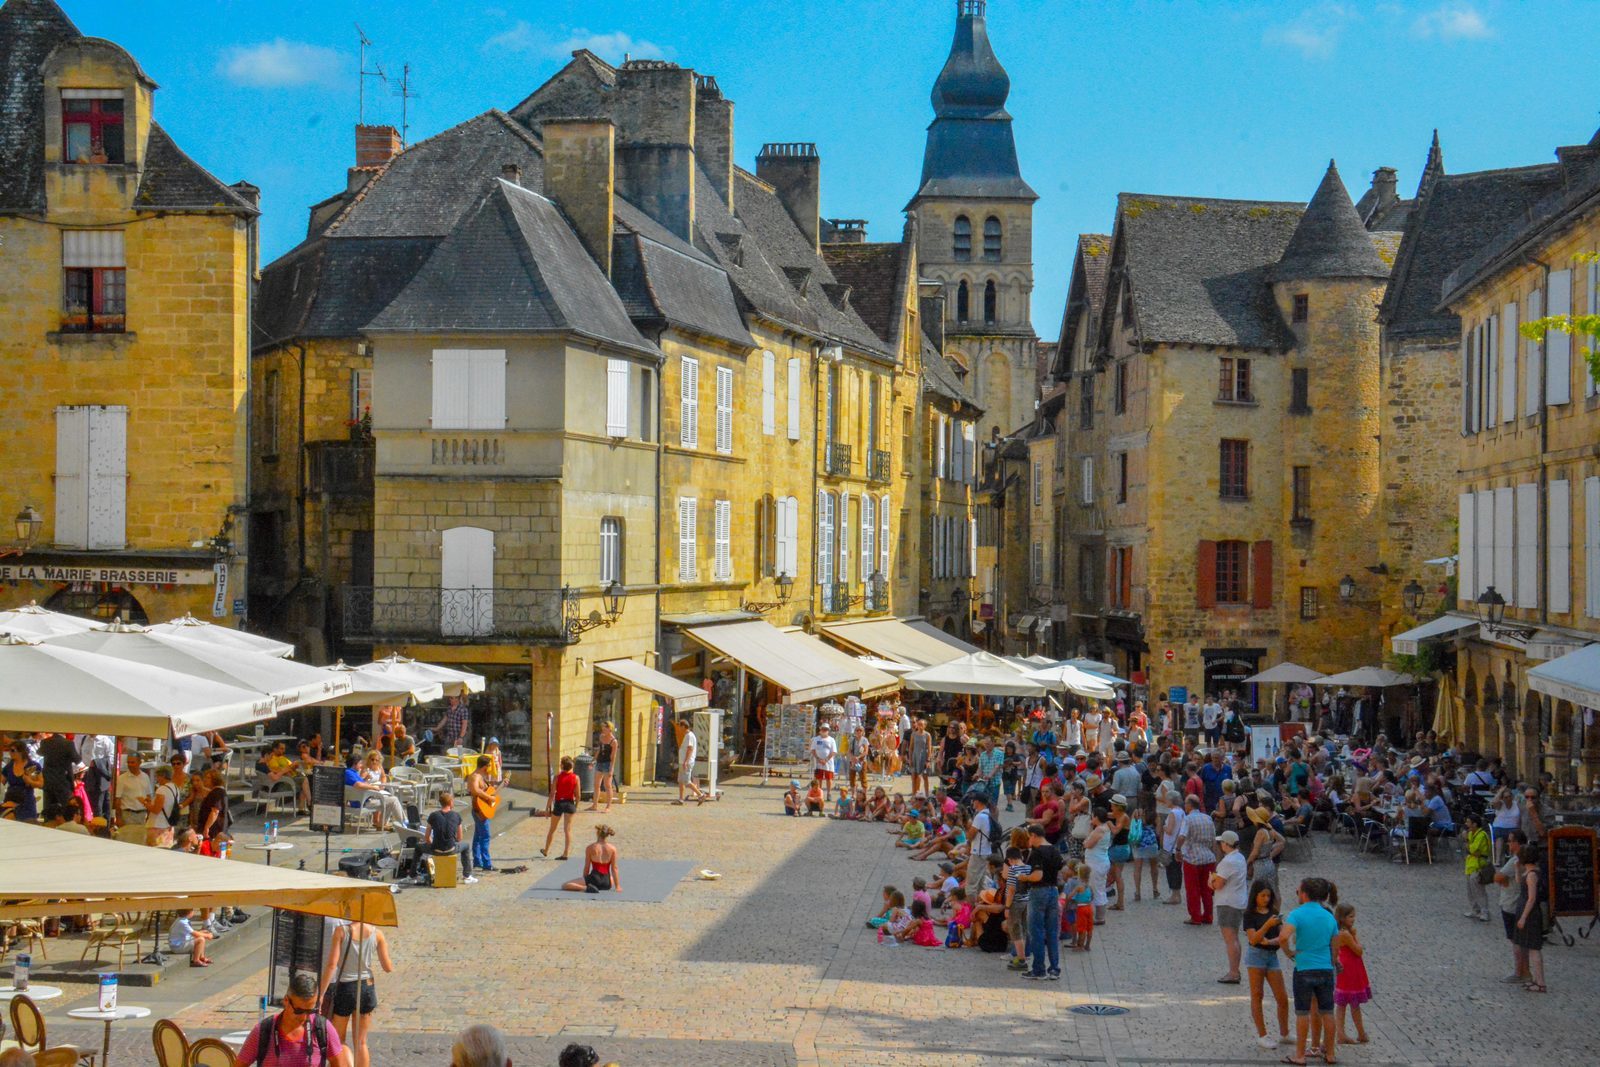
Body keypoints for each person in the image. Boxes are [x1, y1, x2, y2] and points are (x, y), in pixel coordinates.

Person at [1280, 877, 1340, 1067]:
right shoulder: (1329, 916)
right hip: (1325, 969)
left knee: (1302, 1013)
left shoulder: (1297, 914)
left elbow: (1283, 937)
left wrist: (1289, 952)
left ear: (1304, 894)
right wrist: (1331, 961)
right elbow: (1335, 944)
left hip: (1304, 967)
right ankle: (1330, 1053)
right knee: (1328, 1012)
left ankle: (1300, 1055)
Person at [237, 970, 351, 1066]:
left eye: (310, 1011)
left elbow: (339, 1063)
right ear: (286, 1000)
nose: (304, 1017)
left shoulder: (323, 1028)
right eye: (299, 1011)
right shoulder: (263, 1031)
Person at [320, 919, 394, 1067]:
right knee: (361, 1042)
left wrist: (321, 993)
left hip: (346, 988)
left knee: (338, 1040)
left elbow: (331, 965)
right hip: (367, 987)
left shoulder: (341, 932)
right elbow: (388, 967)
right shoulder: (377, 934)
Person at [1244, 879, 1290, 1050]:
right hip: (1255, 956)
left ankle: (1284, 1032)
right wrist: (1267, 925)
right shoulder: (1249, 915)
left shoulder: (1274, 912)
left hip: (1272, 956)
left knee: (1282, 997)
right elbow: (1253, 938)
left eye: (1268, 896)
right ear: (1255, 896)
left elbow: (1282, 935)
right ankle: (1262, 1034)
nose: (1266, 899)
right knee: (1257, 994)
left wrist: (1270, 942)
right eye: (1262, 895)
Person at [1017, 823, 1062, 980]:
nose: (1029, 840)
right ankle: (1054, 968)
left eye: (1030, 837)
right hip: (1053, 891)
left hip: (1038, 892)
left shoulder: (1038, 852)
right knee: (1052, 932)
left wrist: (1024, 877)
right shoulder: (1055, 850)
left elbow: (1037, 876)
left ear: (1034, 836)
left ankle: (1038, 969)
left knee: (1036, 932)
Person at [1209, 829, 1247, 983]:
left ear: (1226, 844)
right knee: (1235, 938)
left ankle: (1233, 972)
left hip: (1227, 902)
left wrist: (1211, 880)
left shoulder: (1227, 862)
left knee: (1230, 939)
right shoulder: (1240, 857)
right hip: (1237, 900)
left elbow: (1218, 884)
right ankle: (1235, 970)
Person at [1331, 903, 1371, 1044]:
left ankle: (1341, 1033)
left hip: (1345, 968)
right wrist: (1355, 936)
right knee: (1354, 1004)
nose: (1353, 919)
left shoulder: (1338, 931)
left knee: (1342, 1004)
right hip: (1351, 970)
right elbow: (1358, 950)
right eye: (1351, 916)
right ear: (1343, 918)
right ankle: (1361, 1033)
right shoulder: (1347, 934)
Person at [1175, 794, 1218, 925]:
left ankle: (1196, 916)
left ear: (1189, 805)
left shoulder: (1188, 819)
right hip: (1208, 858)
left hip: (1192, 858)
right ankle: (1208, 916)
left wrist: (1178, 850)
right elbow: (1213, 839)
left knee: (1193, 889)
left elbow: (1182, 836)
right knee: (1207, 889)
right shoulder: (1208, 818)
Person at [1512, 848, 1547, 992]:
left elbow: (1531, 898)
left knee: (1534, 949)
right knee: (1530, 948)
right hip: (1525, 911)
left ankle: (1540, 982)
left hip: (1530, 915)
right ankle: (1536, 980)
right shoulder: (1528, 872)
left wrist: (1523, 917)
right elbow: (1519, 881)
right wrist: (1516, 869)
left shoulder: (1532, 875)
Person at [424, 791, 475, 884]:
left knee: (418, 848)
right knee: (466, 846)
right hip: (451, 848)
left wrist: (432, 844)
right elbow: (459, 838)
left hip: (436, 849)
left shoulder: (433, 815)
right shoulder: (456, 815)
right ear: (451, 802)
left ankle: (412, 875)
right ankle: (467, 876)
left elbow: (427, 837)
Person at [563, 824, 621, 893]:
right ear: (607, 835)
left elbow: (587, 867)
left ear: (597, 833)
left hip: (594, 880)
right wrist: (617, 886)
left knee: (565, 885)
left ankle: (586, 888)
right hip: (607, 883)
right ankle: (593, 886)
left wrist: (585, 880)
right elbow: (614, 868)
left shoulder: (590, 847)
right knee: (611, 878)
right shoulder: (613, 848)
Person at [542, 755, 580, 860]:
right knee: (567, 830)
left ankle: (546, 850)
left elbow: (552, 794)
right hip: (570, 803)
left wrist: (547, 808)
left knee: (552, 829)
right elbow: (578, 795)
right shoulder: (576, 777)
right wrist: (575, 806)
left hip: (559, 803)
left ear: (562, 766)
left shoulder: (557, 777)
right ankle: (566, 853)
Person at [466, 755, 499, 872]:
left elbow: (486, 790)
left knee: (478, 835)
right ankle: (486, 863)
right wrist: (489, 797)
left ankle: (477, 861)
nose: (490, 767)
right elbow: (475, 790)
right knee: (485, 836)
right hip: (479, 810)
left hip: (481, 809)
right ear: (485, 766)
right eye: (489, 765)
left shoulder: (480, 776)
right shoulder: (475, 776)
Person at [2, 740, 43, 822]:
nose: (10, 753)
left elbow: (41, 784)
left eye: (13, 750)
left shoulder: (32, 766)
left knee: (28, 823)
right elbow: (1, 782)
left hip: (26, 800)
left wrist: (30, 781)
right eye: (9, 750)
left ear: (21, 751)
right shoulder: (9, 766)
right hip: (11, 800)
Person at [1462, 811, 1492, 922]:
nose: (1466, 824)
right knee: (1470, 890)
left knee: (1479, 890)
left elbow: (1473, 850)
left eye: (1468, 822)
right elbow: (1469, 849)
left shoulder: (1481, 835)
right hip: (1470, 865)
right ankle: (1475, 909)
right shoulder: (1471, 834)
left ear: (1475, 824)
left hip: (1479, 866)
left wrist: (1466, 841)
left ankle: (1485, 912)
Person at [588, 721, 619, 813]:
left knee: (607, 785)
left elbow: (613, 756)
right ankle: (594, 805)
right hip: (599, 763)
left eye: (605, 728)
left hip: (607, 764)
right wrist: (593, 760)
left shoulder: (614, 741)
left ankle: (608, 806)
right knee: (596, 784)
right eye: (602, 728)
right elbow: (599, 750)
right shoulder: (601, 737)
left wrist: (611, 769)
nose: (603, 730)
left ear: (610, 729)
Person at [675, 718, 707, 804]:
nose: (679, 728)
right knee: (681, 781)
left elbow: (690, 749)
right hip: (683, 762)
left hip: (687, 763)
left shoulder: (689, 736)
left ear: (684, 726)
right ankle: (681, 799)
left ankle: (700, 795)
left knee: (686, 781)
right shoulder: (687, 735)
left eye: (680, 726)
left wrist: (686, 761)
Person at [809, 722, 839, 801]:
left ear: (828, 730)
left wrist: (826, 759)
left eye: (826, 729)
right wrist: (818, 759)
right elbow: (813, 750)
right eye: (823, 729)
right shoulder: (816, 739)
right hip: (818, 763)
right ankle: (819, 793)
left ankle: (829, 793)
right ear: (820, 729)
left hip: (828, 763)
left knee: (829, 779)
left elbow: (833, 751)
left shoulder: (831, 740)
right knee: (819, 779)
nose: (824, 730)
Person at [908, 718, 932, 797]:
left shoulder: (927, 735)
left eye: (922, 724)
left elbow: (929, 748)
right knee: (914, 776)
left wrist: (928, 760)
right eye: (919, 724)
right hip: (915, 756)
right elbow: (911, 747)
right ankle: (914, 795)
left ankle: (927, 794)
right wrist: (910, 758)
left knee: (925, 776)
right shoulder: (913, 734)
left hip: (923, 757)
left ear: (925, 726)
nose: (920, 726)